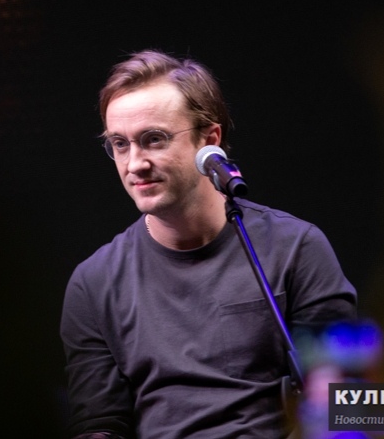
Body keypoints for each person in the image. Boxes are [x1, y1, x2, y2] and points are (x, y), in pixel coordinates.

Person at [60, 50, 357, 438]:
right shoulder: (93, 283)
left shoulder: (295, 248)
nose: (134, 164)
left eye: (154, 139)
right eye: (119, 144)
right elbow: (101, 423)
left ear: (210, 140)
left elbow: (343, 396)